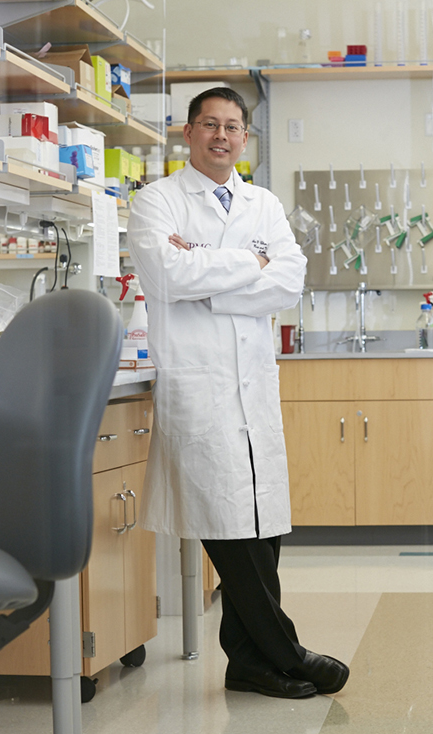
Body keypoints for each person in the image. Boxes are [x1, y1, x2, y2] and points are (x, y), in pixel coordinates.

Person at [126, 87, 348, 700]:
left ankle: (248, 663)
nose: (221, 136)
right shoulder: (157, 201)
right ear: (188, 133)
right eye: (209, 125)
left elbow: (288, 281)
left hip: (252, 383)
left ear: (244, 138)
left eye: (232, 127)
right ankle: (287, 650)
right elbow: (165, 276)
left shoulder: (263, 203)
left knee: (262, 522)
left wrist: (212, 270)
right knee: (229, 524)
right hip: (197, 384)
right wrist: (248, 263)